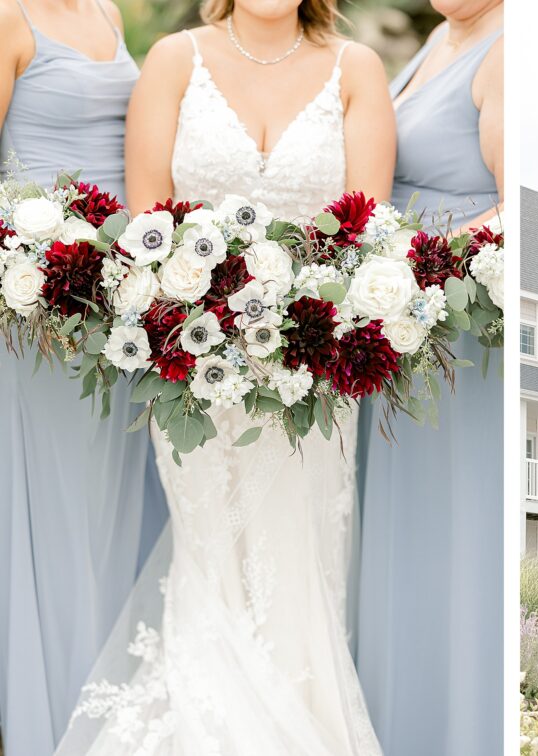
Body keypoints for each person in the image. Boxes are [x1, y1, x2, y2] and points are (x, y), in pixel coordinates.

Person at [57, 1, 394, 752]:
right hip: (192, 365)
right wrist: (200, 321)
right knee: (213, 557)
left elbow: (369, 232)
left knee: (298, 562)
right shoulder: (176, 60)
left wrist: (297, 323)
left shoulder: (356, 68)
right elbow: (146, 222)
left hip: (311, 375)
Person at [0, 1, 168, 752]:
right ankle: (47, 722)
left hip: (118, 308)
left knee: (115, 509)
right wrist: (29, 264)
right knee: (58, 512)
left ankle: (105, 723)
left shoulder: (105, 8)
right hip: (39, 309)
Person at [354, 1, 503, 753]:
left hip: (461, 344)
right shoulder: (446, 36)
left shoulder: (510, 48)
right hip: (407, 331)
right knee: (408, 556)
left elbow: (511, 207)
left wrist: (411, 270)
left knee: (454, 543)